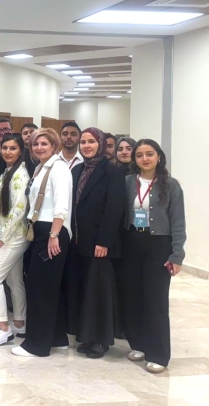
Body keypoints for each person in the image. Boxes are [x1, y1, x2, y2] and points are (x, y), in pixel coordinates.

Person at [122, 139, 186, 374]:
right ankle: (139, 344)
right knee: (134, 297)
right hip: (132, 242)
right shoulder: (128, 181)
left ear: (159, 157)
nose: (145, 159)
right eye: (140, 155)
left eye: (149, 154)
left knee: (156, 300)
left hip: (158, 244)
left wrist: (177, 255)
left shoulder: (171, 185)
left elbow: (178, 221)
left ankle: (158, 353)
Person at [13, 128, 72, 357]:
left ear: (54, 145)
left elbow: (61, 206)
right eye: (36, 144)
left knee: (40, 290)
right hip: (40, 229)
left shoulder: (59, 168)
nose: (39, 148)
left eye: (44, 143)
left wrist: (54, 235)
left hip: (52, 230)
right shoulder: (40, 168)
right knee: (50, 288)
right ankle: (57, 337)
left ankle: (36, 345)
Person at [67, 127, 126, 359]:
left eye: (91, 142)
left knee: (99, 292)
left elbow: (114, 209)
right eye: (83, 142)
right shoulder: (78, 170)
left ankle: (101, 340)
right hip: (79, 241)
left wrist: (104, 242)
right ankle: (86, 336)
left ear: (100, 144)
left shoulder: (112, 172)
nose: (86, 146)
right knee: (85, 290)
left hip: (100, 244)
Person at [0, 134, 31, 346]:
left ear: (21, 151)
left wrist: (1, 237)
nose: (8, 152)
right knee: (14, 281)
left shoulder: (20, 175)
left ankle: (3, 328)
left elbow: (19, 210)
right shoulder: (8, 172)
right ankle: (20, 322)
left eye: (13, 148)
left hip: (13, 237)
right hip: (10, 235)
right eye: (5, 148)